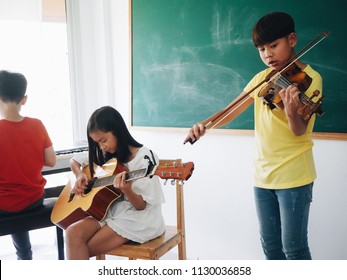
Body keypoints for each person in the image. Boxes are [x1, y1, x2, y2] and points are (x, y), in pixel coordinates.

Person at [184, 12, 322, 260]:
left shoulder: (310, 80)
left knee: (294, 248)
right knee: (270, 247)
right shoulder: (261, 79)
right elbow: (231, 110)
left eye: (273, 45)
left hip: (294, 176)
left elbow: (299, 130)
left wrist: (291, 111)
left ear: (291, 40)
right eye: (261, 49)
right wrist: (204, 126)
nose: (267, 54)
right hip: (262, 176)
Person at [65, 106, 165, 260]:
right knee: (72, 233)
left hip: (141, 218)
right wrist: (79, 176)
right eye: (97, 143)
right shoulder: (106, 153)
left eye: (103, 140)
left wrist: (127, 190)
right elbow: (74, 160)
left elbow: (142, 206)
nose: (101, 146)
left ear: (117, 130)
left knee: (80, 247)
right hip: (111, 210)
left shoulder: (145, 157)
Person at [0, 70, 56, 260]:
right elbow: (51, 161)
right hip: (33, 200)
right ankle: (25, 257)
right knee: (17, 197)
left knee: (8, 198)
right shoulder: (37, 125)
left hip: (4, 204)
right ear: (24, 99)